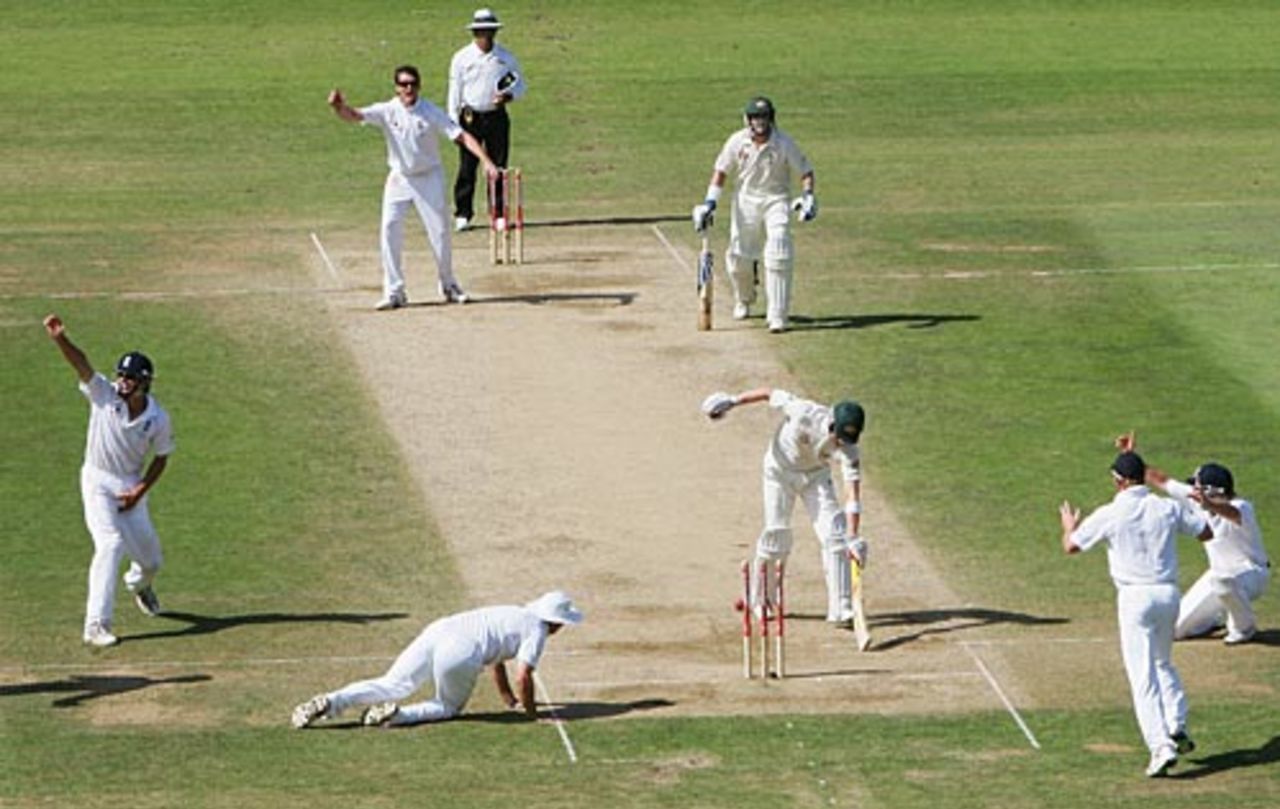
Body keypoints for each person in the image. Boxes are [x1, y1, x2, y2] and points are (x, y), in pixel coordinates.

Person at [1058, 450, 1213, 777]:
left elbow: (1071, 546)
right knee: (1162, 662)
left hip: (1135, 598)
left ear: (1119, 482)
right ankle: (1176, 725)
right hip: (1169, 595)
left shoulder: (1110, 513)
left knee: (1143, 677)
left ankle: (1161, 747)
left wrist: (1069, 526)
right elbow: (1205, 532)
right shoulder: (1166, 507)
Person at [43, 314, 175, 648]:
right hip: (97, 479)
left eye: (130, 377)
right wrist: (60, 339)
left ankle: (139, 585)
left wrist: (138, 491)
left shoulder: (157, 419)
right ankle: (96, 624)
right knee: (110, 544)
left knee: (152, 562)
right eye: (121, 374)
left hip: (129, 484)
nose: (123, 381)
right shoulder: (104, 394)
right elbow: (82, 365)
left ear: (145, 382)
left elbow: (162, 458)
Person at [328, 65, 499, 311]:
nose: (408, 88)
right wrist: (338, 107)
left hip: (429, 177)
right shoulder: (387, 110)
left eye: (412, 84)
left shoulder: (430, 111)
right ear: (396, 88)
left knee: (439, 233)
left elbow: (462, 136)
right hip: (400, 178)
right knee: (389, 229)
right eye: (404, 84)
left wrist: (486, 161)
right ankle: (394, 291)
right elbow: (354, 115)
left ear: (419, 86)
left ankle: (449, 285)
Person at [291, 591, 583, 728]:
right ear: (556, 622)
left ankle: (332, 701)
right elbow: (523, 675)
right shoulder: (538, 631)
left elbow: (499, 661)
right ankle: (398, 716)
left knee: (391, 683)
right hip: (462, 651)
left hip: (439, 629)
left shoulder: (514, 613)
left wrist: (509, 700)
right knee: (447, 706)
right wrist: (534, 715)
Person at [701, 387, 866, 627]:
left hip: (815, 476)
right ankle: (761, 599)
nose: (841, 443)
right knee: (777, 535)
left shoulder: (850, 449)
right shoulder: (804, 412)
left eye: (847, 439)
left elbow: (853, 493)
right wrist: (733, 401)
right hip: (779, 472)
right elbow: (770, 394)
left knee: (836, 536)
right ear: (831, 421)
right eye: (839, 435)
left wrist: (853, 536)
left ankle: (841, 609)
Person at [1117, 433, 1269, 644]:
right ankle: (1211, 618)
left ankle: (1244, 628)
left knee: (1223, 580)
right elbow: (1162, 480)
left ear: (1210, 491)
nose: (1193, 489)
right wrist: (1130, 457)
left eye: (1197, 486)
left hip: (1253, 575)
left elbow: (1231, 514)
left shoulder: (1242, 507)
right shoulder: (1196, 498)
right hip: (1219, 576)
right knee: (1173, 631)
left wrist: (1209, 505)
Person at [692, 96, 816, 334]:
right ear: (747, 119)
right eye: (755, 117)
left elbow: (806, 170)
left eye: (764, 117)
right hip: (746, 200)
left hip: (776, 199)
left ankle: (778, 315)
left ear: (771, 118)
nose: (759, 122)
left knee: (779, 249)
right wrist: (710, 203)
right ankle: (744, 298)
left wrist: (808, 196)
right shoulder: (737, 141)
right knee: (740, 257)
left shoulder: (784, 143)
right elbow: (721, 172)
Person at [447, 8, 526, 232]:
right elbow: (454, 90)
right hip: (470, 117)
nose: (485, 36)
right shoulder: (461, 57)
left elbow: (520, 85)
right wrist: (453, 123)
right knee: (467, 166)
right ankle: (463, 213)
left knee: (498, 166)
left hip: (496, 116)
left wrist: (508, 96)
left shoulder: (506, 57)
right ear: (474, 32)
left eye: (489, 31)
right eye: (481, 31)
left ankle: (499, 214)